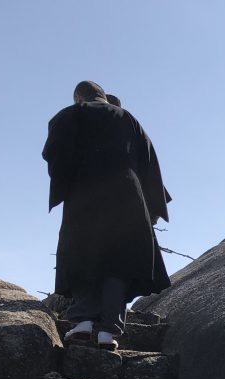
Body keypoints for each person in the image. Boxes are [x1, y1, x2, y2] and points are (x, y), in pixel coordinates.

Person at [42, 80, 171, 350]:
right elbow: (149, 161)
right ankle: (108, 332)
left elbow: (54, 153)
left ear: (79, 97)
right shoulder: (129, 119)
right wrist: (155, 206)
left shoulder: (70, 115)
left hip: (85, 194)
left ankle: (82, 323)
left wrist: (65, 182)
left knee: (83, 255)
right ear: (103, 96)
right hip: (126, 198)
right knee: (118, 263)